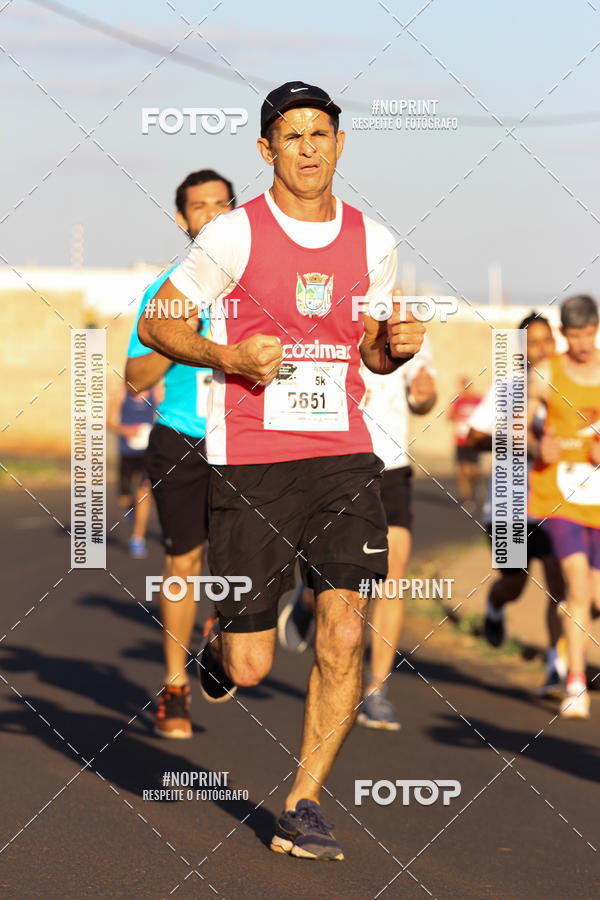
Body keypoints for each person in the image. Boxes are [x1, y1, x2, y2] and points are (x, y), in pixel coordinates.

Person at [138, 81, 425, 860]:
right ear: (266, 149)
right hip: (252, 461)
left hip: (343, 458)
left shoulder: (374, 239)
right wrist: (227, 355)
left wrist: (392, 349)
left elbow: (370, 349)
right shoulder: (232, 235)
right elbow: (156, 320)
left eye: (321, 133)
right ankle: (223, 644)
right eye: (291, 135)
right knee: (253, 663)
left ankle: (303, 804)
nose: (308, 147)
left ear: (340, 143)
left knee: (341, 627)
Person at [279, 304, 437, 731]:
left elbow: (424, 399)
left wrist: (424, 396)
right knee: (336, 579)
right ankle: (308, 597)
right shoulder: (328, 312)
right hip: (336, 463)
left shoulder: (406, 323)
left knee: (393, 570)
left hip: (391, 466)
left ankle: (376, 689)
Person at [125, 169, 235, 739]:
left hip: (248, 438)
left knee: (254, 564)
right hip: (183, 436)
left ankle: (221, 633)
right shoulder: (166, 290)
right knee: (184, 563)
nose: (213, 214)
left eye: (223, 204)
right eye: (200, 206)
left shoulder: (256, 282)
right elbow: (135, 375)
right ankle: (174, 687)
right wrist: (175, 339)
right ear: (182, 218)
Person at [467, 313, 566, 696]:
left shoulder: (564, 389)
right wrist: (513, 441)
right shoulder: (506, 388)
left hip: (553, 503)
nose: (540, 349)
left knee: (560, 584)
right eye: (531, 343)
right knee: (514, 583)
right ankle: (494, 607)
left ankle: (556, 668)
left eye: (546, 342)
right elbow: (475, 436)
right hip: (508, 505)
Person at [528, 295, 600, 719]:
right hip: (559, 496)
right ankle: (576, 681)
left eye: (589, 334)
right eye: (575, 336)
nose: (583, 344)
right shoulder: (546, 372)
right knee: (575, 586)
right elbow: (513, 426)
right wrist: (539, 443)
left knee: (593, 596)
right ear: (564, 333)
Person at [107, 385, 158, 558]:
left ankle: (137, 539)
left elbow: (163, 416)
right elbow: (109, 420)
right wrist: (126, 430)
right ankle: (130, 508)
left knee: (144, 492)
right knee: (124, 499)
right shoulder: (121, 393)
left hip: (147, 453)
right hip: (127, 453)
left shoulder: (155, 392)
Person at [448, 376, 482, 510]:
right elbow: (449, 416)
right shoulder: (457, 400)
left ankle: (477, 481)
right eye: (462, 386)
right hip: (460, 440)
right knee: (461, 470)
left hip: (473, 440)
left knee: (471, 469)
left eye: (466, 385)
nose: (464, 389)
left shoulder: (478, 400)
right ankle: (466, 498)